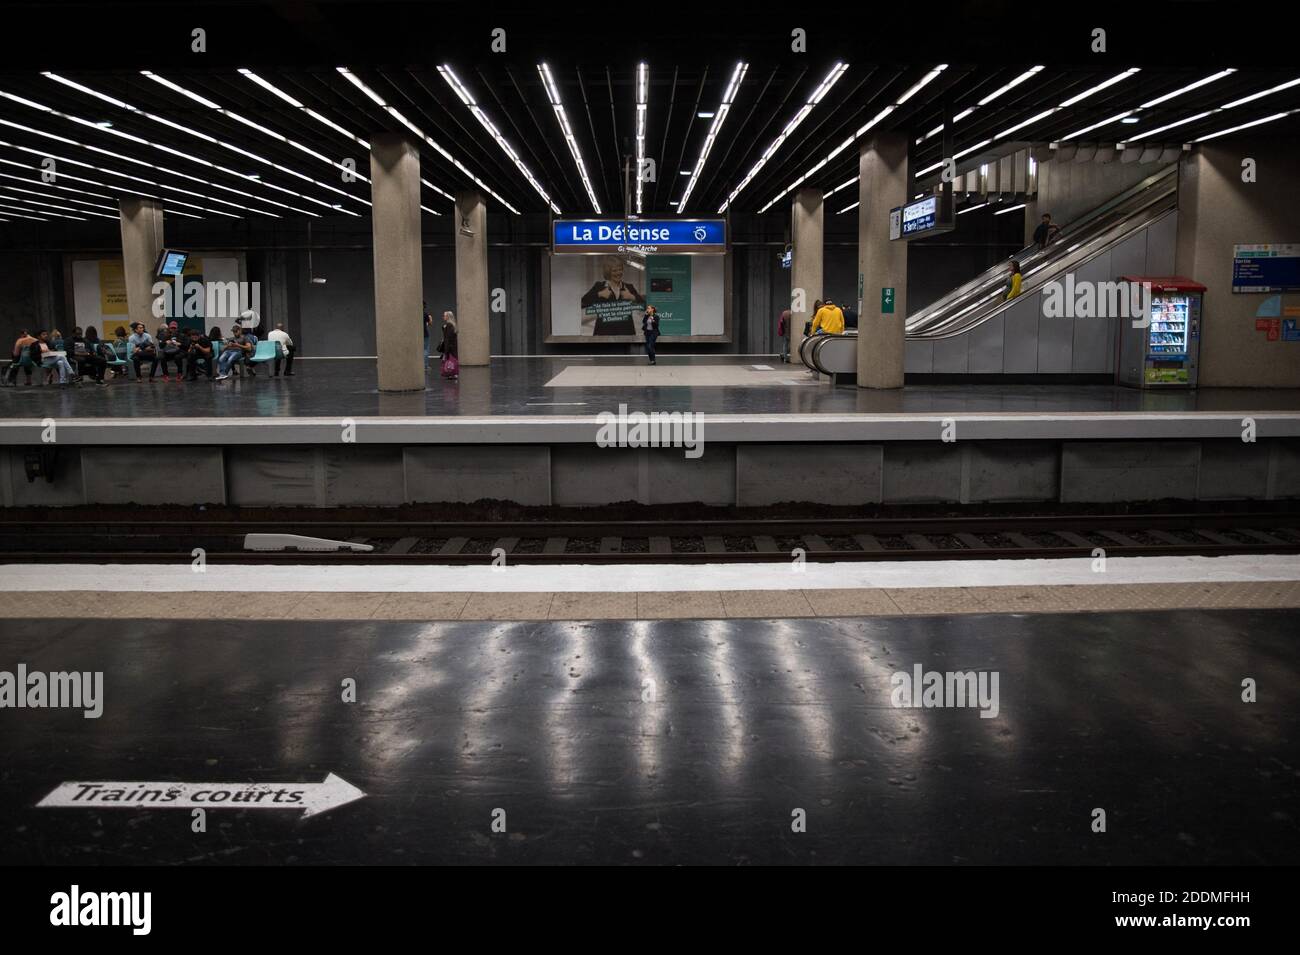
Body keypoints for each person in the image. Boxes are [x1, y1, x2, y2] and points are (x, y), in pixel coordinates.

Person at [581, 256, 644, 335]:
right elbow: (583, 302)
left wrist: (632, 297)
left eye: (620, 269)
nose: (618, 273)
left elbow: (645, 306)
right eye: (614, 270)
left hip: (626, 335)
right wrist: (599, 294)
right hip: (604, 335)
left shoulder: (629, 287)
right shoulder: (599, 286)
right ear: (608, 272)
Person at [437, 310, 459, 380]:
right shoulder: (452, 325)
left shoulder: (449, 325)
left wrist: (446, 350)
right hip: (453, 347)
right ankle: (454, 373)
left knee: (450, 361)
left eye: (444, 315)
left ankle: (450, 373)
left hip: (450, 347)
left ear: (448, 317)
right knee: (453, 361)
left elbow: (447, 338)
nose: (443, 317)